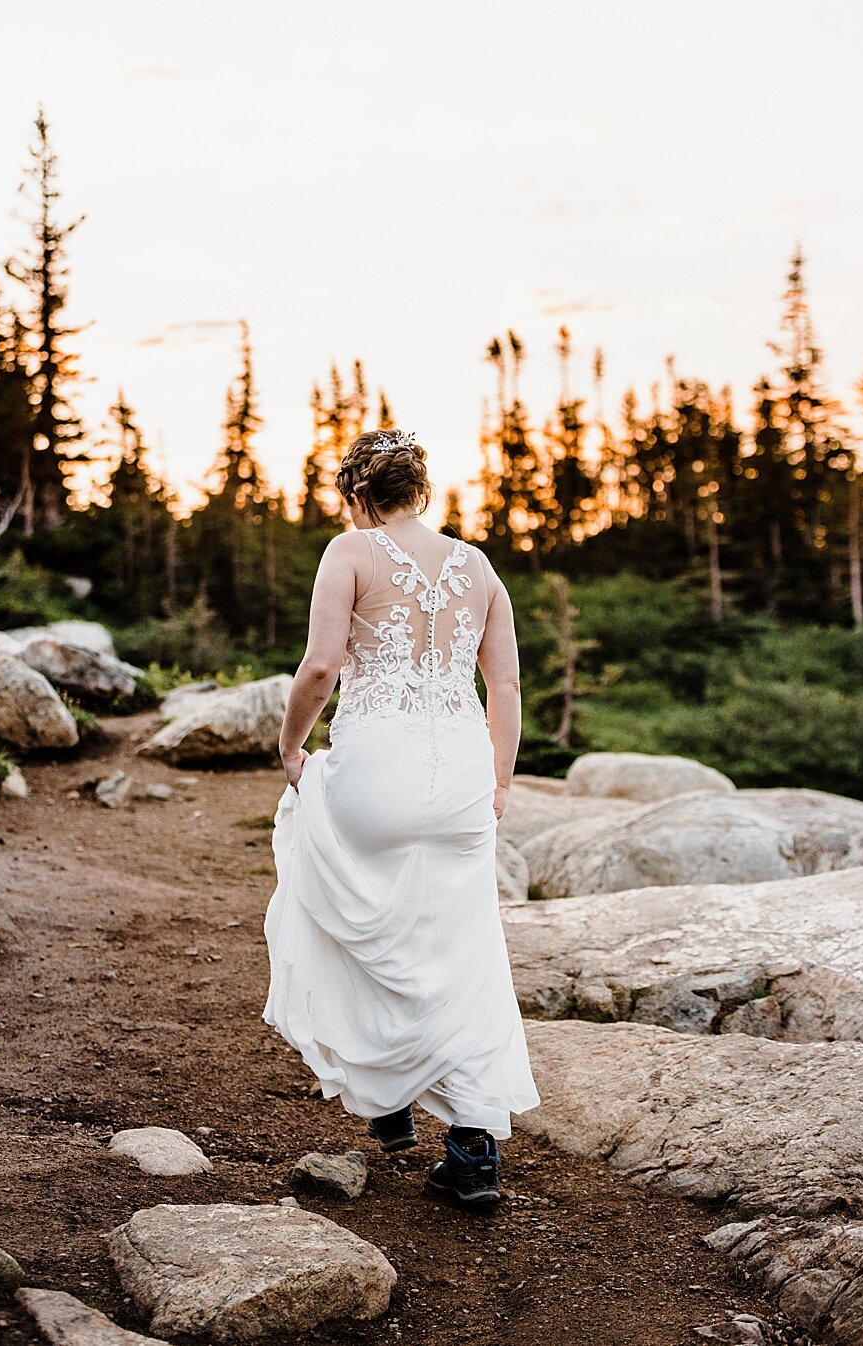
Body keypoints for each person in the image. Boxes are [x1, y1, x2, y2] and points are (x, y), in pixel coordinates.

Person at [262, 428, 539, 1207]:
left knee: (339, 899)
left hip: (372, 769)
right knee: (465, 949)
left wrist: (292, 749)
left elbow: (320, 668)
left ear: (356, 497)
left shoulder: (349, 553)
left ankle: (383, 1098)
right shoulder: (478, 567)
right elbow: (507, 689)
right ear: (423, 489)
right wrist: (501, 779)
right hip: (458, 772)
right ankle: (475, 1151)